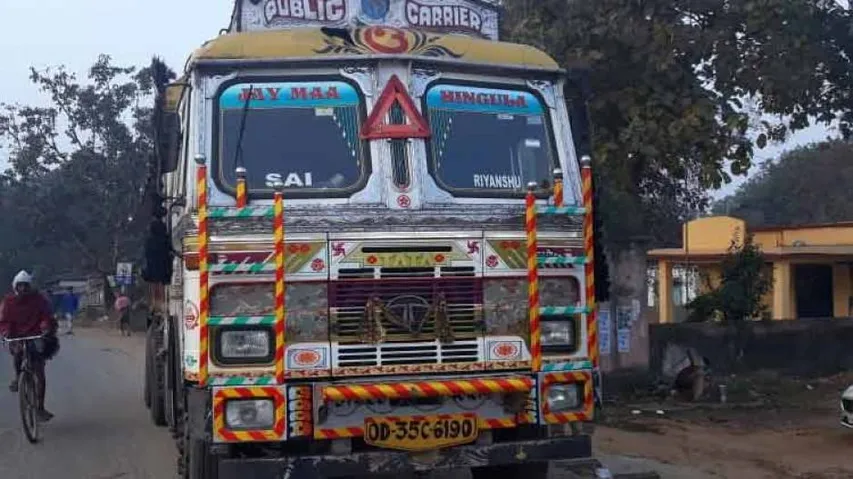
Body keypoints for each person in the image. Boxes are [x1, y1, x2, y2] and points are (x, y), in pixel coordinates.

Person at [0, 270, 58, 422]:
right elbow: (4, 320)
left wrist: (45, 326)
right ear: (15, 286)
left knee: (40, 373)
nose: (23, 289)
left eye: (25, 286)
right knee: (18, 353)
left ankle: (40, 407)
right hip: (16, 335)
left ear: (30, 286)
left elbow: (47, 315)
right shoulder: (9, 302)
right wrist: (6, 332)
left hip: (36, 334)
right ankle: (17, 377)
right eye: (20, 286)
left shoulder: (39, 300)